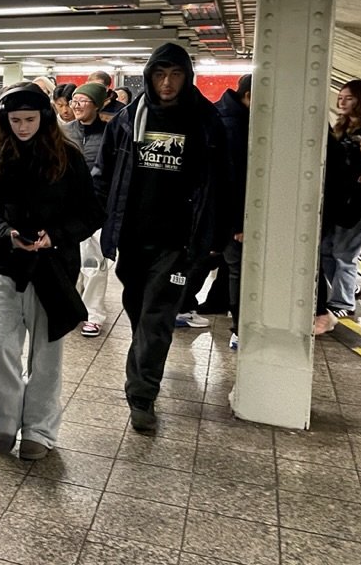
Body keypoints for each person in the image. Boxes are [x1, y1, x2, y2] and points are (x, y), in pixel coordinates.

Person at [93, 43, 229, 433]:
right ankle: (145, 365)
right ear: (150, 76)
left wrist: (216, 238)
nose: (167, 83)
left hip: (178, 244)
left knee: (157, 317)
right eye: (159, 74)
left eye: (176, 75)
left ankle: (141, 396)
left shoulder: (205, 121)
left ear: (187, 77)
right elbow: (104, 177)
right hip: (133, 240)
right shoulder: (127, 119)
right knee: (139, 310)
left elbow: (222, 182)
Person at [0, 83, 103, 460]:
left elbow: (92, 212)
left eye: (30, 119)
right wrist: (7, 235)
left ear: (45, 117)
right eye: (14, 120)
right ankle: (6, 419)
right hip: (7, 264)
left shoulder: (68, 156)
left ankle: (39, 429)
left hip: (53, 268)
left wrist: (56, 237)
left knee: (47, 354)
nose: (22, 127)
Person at [321, 79, 361, 318]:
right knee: (327, 251)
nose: (341, 101)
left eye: (348, 98)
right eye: (340, 97)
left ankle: (343, 302)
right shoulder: (342, 129)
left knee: (345, 254)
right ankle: (339, 294)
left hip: (356, 203)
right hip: (336, 200)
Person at [63, 82, 111, 338]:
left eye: (83, 100)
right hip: (66, 207)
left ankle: (93, 314)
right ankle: (72, 308)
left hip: (95, 209)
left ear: (98, 104)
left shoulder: (109, 132)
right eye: (74, 100)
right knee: (69, 261)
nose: (77, 105)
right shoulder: (63, 131)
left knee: (93, 263)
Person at [213, 74, 251, 348]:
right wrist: (239, 223)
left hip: (218, 210)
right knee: (237, 267)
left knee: (220, 263)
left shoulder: (224, 114)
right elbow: (233, 176)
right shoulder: (234, 124)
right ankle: (240, 327)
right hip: (228, 213)